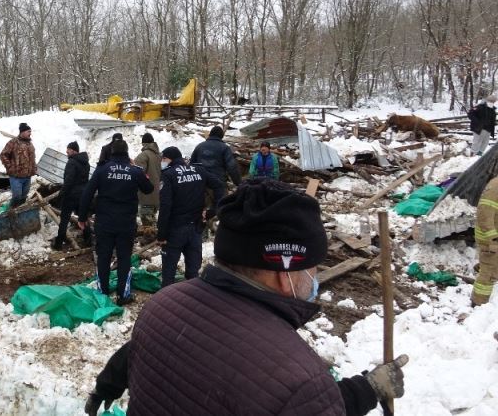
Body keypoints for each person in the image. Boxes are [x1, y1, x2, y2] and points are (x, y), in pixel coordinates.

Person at [85, 179, 409, 416]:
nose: (314, 279)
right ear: (284, 274)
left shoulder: (163, 304)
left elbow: (139, 352)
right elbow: (292, 398)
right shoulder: (301, 379)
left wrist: (107, 385)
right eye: (312, 268)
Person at [78, 140, 154, 305]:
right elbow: (149, 188)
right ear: (127, 153)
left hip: (104, 222)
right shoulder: (135, 171)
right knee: (124, 257)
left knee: (104, 257)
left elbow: (87, 194)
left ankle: (103, 292)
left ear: (111, 152)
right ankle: (123, 295)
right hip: (126, 223)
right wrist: (139, 173)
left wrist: (82, 218)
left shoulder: (101, 170)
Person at [157, 146, 225, 287]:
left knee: (169, 273)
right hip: (195, 227)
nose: (162, 162)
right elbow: (219, 186)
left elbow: (165, 207)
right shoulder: (199, 170)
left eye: (163, 159)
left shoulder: (168, 175)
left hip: (175, 230)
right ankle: (191, 301)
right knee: (193, 272)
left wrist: (161, 235)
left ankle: (167, 304)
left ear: (170, 159)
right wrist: (213, 210)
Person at [54, 141, 91, 250]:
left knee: (64, 219)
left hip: (71, 195)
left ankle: (58, 244)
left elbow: (69, 181)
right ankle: (88, 240)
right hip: (82, 195)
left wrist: (61, 195)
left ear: (74, 151)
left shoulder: (72, 162)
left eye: (68, 149)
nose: (66, 151)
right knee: (83, 217)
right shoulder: (86, 163)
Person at [473, 175, 498, 305]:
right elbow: (484, 214)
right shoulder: (495, 186)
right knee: (489, 274)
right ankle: (478, 304)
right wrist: (493, 239)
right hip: (491, 239)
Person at [0, 122, 37, 207]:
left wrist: (34, 168)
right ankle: (11, 212)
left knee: (23, 196)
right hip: (16, 176)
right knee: (17, 196)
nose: (30, 133)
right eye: (28, 131)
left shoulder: (30, 144)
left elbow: (32, 158)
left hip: (27, 176)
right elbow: (3, 155)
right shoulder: (13, 142)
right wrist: (9, 167)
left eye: (30, 131)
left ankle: (21, 213)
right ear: (22, 132)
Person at [134, 133, 161, 228]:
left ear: (144, 143)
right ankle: (156, 238)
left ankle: (152, 240)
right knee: (152, 219)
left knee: (147, 223)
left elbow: (137, 173)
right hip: (156, 193)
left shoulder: (143, 155)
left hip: (146, 195)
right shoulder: (158, 155)